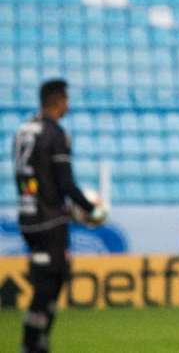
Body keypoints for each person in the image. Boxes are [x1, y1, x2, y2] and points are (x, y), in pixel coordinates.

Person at [13, 79, 106, 353]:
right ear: (57, 101)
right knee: (48, 283)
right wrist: (92, 211)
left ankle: (37, 340)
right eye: (66, 99)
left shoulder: (22, 129)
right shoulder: (55, 133)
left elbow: (32, 178)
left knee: (53, 276)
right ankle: (32, 343)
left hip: (28, 216)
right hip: (49, 220)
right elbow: (65, 183)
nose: (68, 104)